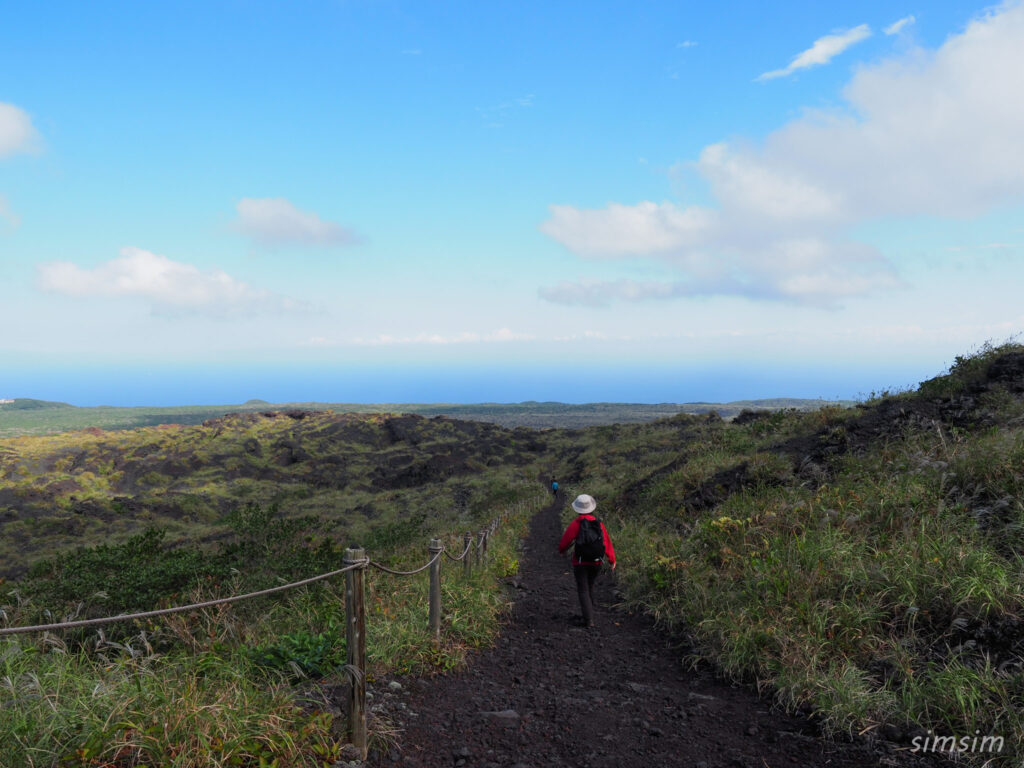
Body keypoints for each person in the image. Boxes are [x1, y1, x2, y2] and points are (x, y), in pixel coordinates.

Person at [557, 493, 616, 628]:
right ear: (591, 508)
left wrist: (561, 551)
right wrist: (612, 559)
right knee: (589, 587)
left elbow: (565, 542)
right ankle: (589, 614)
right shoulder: (598, 524)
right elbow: (606, 542)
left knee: (583, 590)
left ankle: (589, 620)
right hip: (597, 562)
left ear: (577, 509)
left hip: (580, 562)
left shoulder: (576, 524)